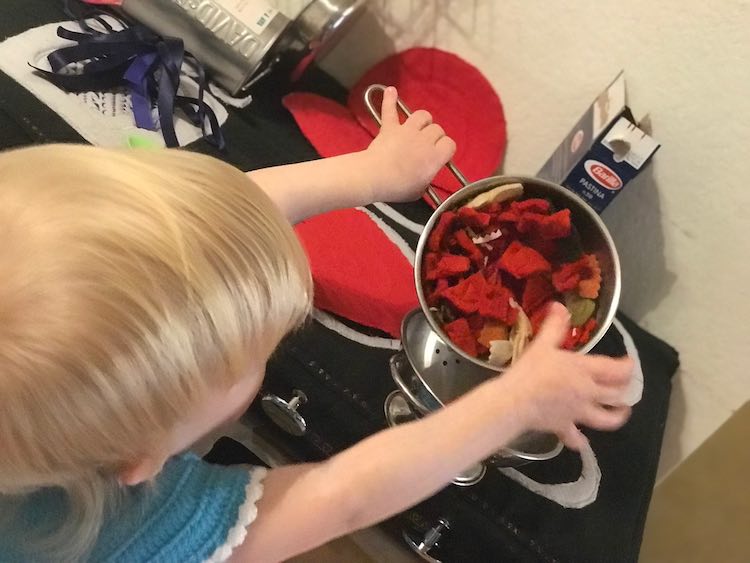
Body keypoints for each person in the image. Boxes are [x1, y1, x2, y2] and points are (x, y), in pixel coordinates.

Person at [0, 87, 633, 562]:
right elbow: (345, 495)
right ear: (140, 459)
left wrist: (370, 174)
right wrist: (513, 400)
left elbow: (197, 236)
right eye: (255, 355)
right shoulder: (139, 533)